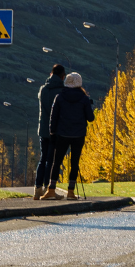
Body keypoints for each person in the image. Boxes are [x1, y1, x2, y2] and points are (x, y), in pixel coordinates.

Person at [46, 71, 95, 200]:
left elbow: (53, 117)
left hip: (62, 134)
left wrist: (52, 132)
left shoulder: (60, 97)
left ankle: (51, 189)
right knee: (75, 163)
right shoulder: (84, 98)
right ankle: (71, 192)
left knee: (57, 162)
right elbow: (91, 118)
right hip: (78, 135)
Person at [33, 65, 66, 200]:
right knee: (52, 161)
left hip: (43, 129)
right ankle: (49, 188)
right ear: (62, 76)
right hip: (56, 130)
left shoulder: (43, 89)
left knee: (43, 159)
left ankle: (37, 188)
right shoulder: (62, 91)